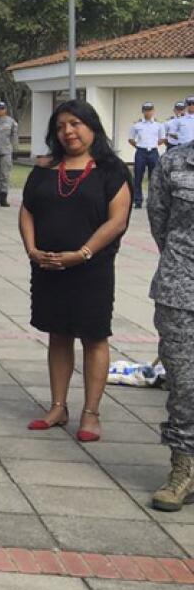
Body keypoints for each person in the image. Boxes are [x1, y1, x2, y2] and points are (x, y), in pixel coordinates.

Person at [20, 100, 131, 443]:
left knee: (94, 336)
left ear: (92, 126)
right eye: (60, 126)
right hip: (49, 266)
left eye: (75, 124)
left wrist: (81, 253)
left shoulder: (111, 170)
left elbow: (117, 221)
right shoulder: (44, 168)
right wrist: (32, 249)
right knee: (58, 334)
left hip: (91, 270)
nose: (68, 131)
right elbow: (27, 210)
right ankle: (58, 406)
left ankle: (91, 412)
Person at [148, 138, 194, 511]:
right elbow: (158, 222)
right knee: (184, 383)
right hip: (181, 291)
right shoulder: (174, 163)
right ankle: (183, 469)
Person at [129, 101, 167, 209]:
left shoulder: (159, 125)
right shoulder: (137, 125)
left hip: (153, 152)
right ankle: (138, 200)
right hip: (141, 152)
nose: (148, 112)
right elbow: (131, 139)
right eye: (146, 110)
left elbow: (162, 138)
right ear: (143, 111)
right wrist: (139, 146)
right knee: (138, 177)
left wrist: (154, 145)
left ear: (153, 111)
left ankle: (152, 200)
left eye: (150, 110)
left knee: (154, 178)